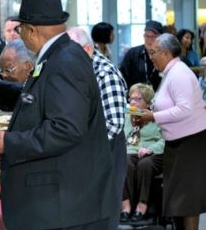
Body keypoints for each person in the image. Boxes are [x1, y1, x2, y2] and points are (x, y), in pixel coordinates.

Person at [0, 0, 116, 230]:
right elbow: (43, 98)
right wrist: (2, 87)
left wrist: (10, 142)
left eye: (20, 29)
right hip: (64, 203)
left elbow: (66, 128)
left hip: (65, 206)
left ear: (32, 30)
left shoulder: (64, 61)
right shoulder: (61, 55)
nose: (19, 34)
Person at [138, 33, 206, 230]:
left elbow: (185, 109)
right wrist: (151, 113)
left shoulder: (180, 73)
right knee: (179, 200)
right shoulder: (171, 72)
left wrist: (153, 117)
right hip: (178, 141)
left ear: (166, 53)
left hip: (190, 142)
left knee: (187, 201)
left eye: (153, 52)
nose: (151, 56)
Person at [67, 26, 127, 230]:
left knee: (102, 216)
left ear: (88, 50)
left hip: (106, 152)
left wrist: (83, 148)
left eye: (71, 53)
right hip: (89, 151)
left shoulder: (106, 73)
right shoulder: (81, 69)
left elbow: (114, 123)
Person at [121, 83, 164, 223]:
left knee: (145, 164)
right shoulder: (127, 117)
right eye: (131, 98)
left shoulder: (155, 117)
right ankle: (126, 206)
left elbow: (164, 140)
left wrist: (149, 149)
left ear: (147, 102)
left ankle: (142, 205)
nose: (133, 102)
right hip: (131, 151)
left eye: (138, 99)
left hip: (152, 152)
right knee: (124, 161)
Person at [119, 20, 163, 91]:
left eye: (153, 36)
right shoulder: (133, 53)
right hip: (136, 98)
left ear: (161, 38)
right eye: (147, 36)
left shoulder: (164, 55)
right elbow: (122, 76)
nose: (149, 39)